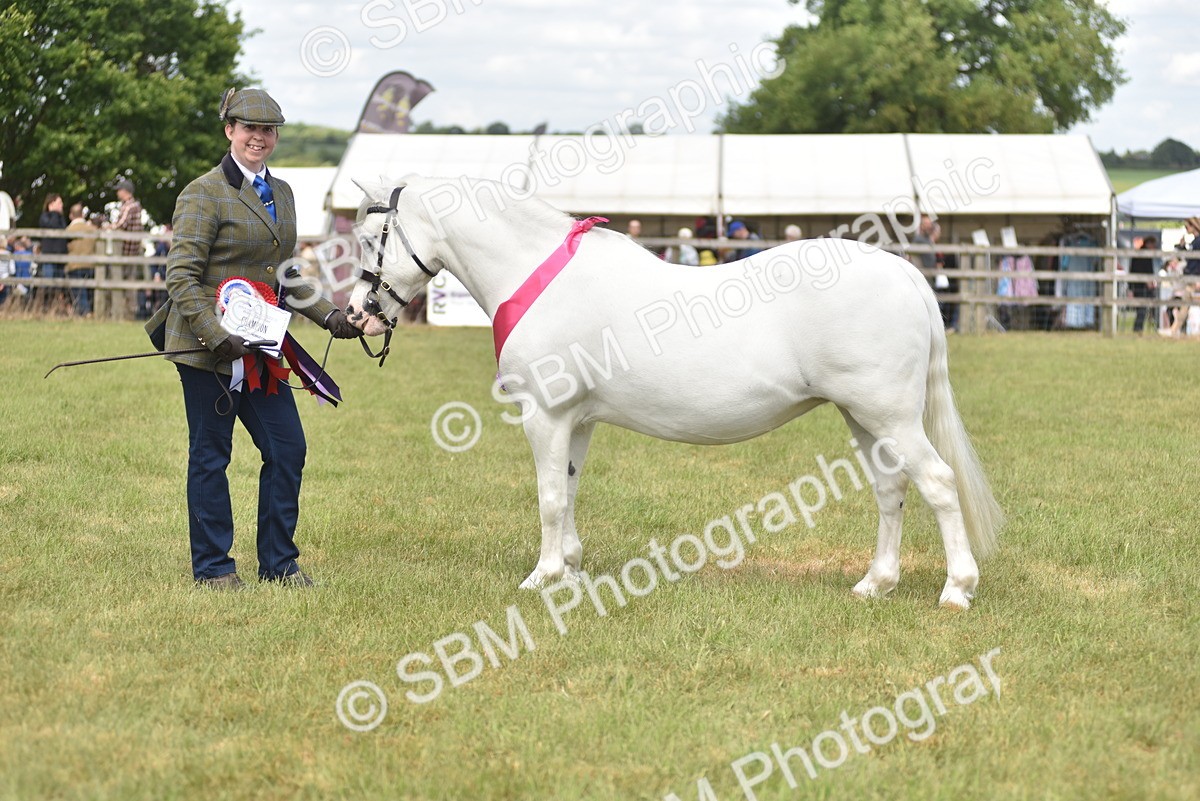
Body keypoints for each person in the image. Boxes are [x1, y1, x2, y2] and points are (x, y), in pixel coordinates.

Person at [147, 87, 361, 590]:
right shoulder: (202, 193)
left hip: (262, 350)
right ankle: (214, 567)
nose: (259, 138)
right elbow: (180, 277)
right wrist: (216, 335)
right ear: (230, 130)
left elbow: (286, 272)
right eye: (249, 128)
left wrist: (332, 317)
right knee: (210, 455)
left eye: (268, 130)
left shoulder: (282, 193)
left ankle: (279, 563)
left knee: (287, 448)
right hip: (207, 350)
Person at [109, 178, 144, 318]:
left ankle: (125, 312)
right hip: (131, 252)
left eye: (119, 190)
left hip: (126, 252)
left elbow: (121, 224)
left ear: (125, 191)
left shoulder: (129, 206)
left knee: (124, 282)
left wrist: (107, 227)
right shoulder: (134, 205)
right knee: (129, 282)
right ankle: (129, 311)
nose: (117, 193)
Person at [37, 193, 68, 309]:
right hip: (49, 256)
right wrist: (54, 213)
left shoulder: (61, 218)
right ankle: (45, 307)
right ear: (51, 204)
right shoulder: (44, 217)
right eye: (59, 203)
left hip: (60, 257)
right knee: (48, 283)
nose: (62, 205)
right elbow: (53, 227)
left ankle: (56, 308)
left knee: (60, 285)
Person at [64, 203, 96, 316]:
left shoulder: (68, 230)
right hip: (91, 265)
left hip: (74, 265)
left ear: (71, 215)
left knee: (78, 294)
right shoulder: (92, 229)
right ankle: (90, 313)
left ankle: (84, 314)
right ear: (82, 214)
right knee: (89, 293)